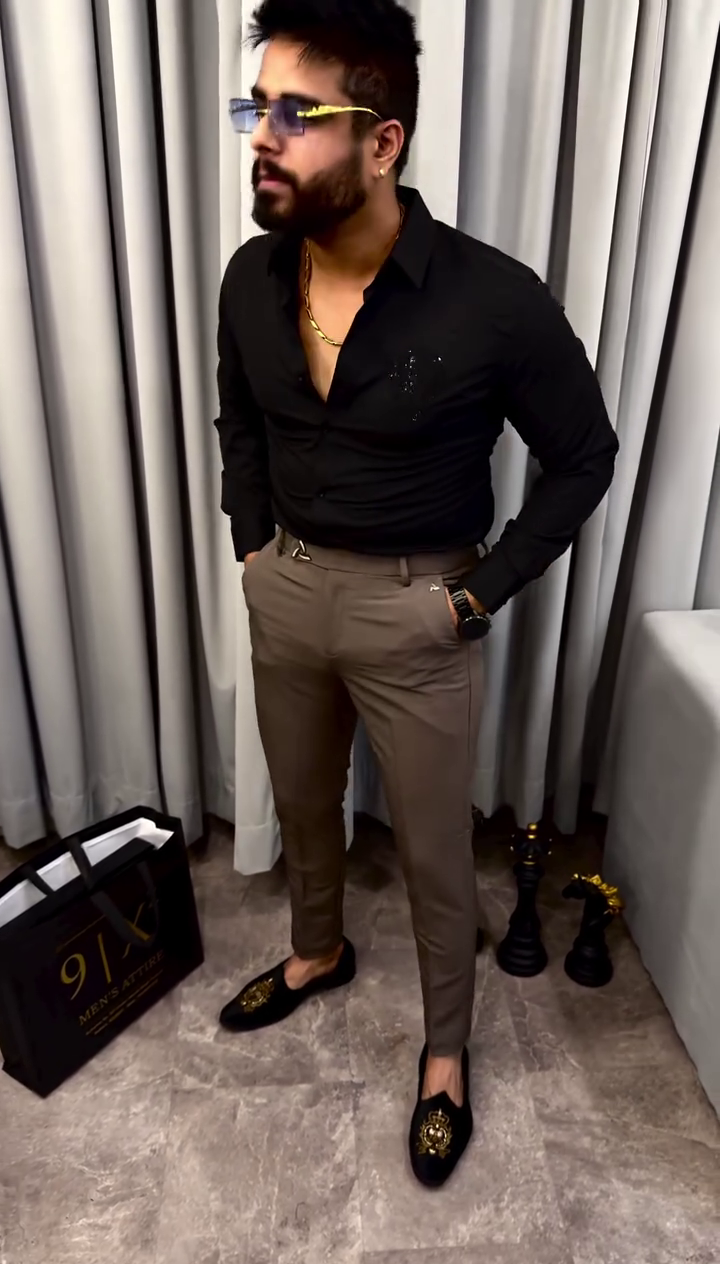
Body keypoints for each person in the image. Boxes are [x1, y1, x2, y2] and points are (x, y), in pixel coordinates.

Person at [214, 0, 618, 1188]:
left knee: (437, 851)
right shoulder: (250, 275)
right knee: (304, 804)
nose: (263, 137)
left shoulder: (493, 299)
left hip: (420, 608)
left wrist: (475, 595)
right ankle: (316, 951)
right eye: (256, 109)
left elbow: (584, 456)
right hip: (288, 588)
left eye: (297, 114)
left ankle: (445, 1050)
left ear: (382, 140)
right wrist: (250, 543)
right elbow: (240, 418)